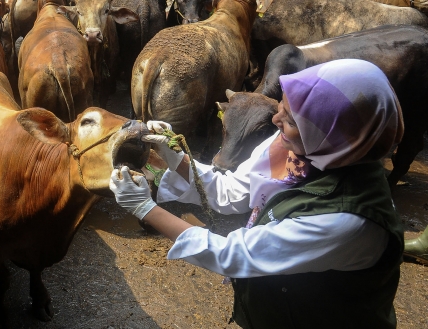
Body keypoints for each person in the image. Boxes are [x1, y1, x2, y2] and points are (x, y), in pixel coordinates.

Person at [110, 59, 405, 328]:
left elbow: (234, 255)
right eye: (281, 107)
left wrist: (145, 208)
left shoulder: (349, 220)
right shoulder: (290, 147)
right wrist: (175, 156)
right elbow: (231, 192)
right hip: (278, 309)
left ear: (332, 133)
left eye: (290, 120)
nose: (276, 121)